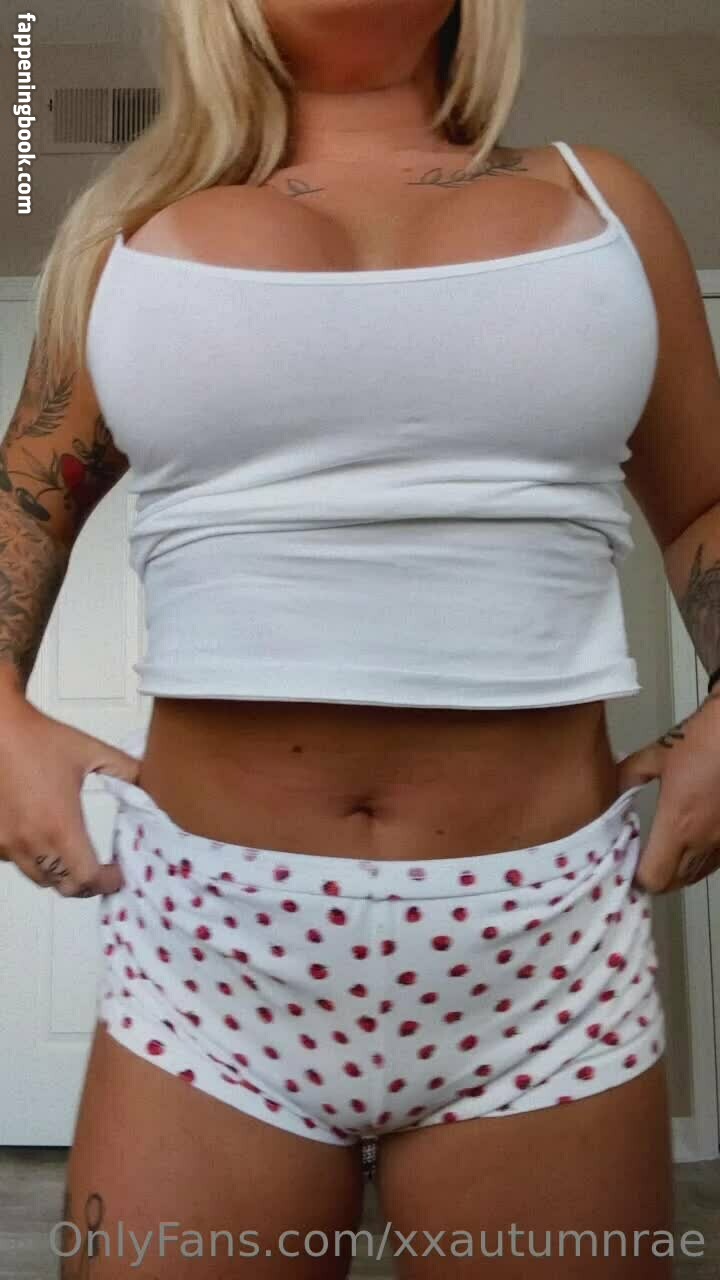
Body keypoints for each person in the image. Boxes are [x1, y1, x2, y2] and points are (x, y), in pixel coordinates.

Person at [3, 0, 720, 1275]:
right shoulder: (128, 235)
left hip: (543, 945)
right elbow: (26, 491)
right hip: (212, 952)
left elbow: (706, 504)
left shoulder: (604, 204)